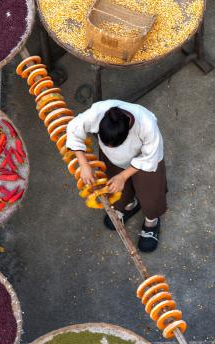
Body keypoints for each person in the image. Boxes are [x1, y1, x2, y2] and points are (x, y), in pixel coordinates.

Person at [66, 100, 167, 252]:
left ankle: (151, 221)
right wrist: (83, 163)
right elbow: (73, 128)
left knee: (150, 193)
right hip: (113, 159)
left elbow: (150, 157)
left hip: (144, 162)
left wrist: (124, 176)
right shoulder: (98, 111)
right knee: (115, 188)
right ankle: (129, 205)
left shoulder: (146, 123)